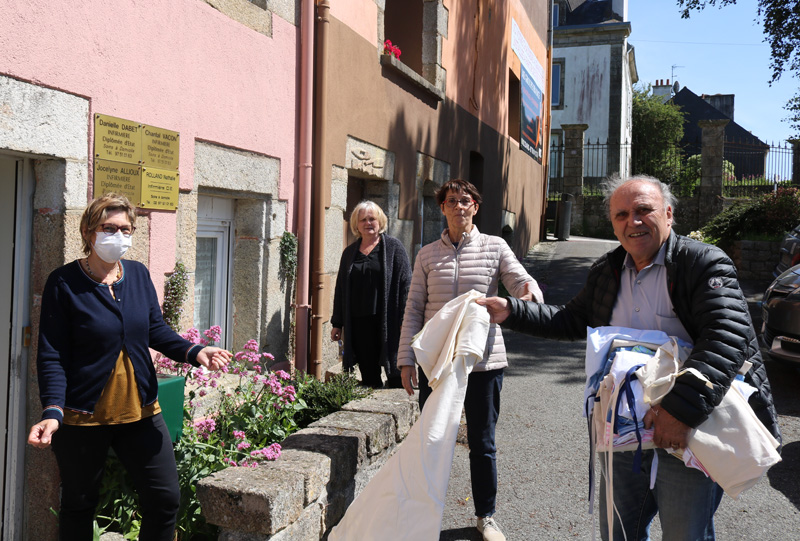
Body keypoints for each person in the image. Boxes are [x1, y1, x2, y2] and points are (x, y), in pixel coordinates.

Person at [478, 174, 781, 541]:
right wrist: (510, 310)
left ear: (668, 214)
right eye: (621, 215)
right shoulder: (607, 270)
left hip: (688, 427)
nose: (632, 223)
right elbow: (573, 319)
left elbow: (725, 338)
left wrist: (678, 413)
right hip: (623, 428)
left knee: (685, 535)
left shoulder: (702, 263)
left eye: (643, 211)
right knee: (620, 531)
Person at [27, 193, 232, 541]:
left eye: (126, 228)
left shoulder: (137, 274)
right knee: (79, 504)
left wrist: (195, 351)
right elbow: (52, 354)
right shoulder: (63, 282)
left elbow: (155, 330)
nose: (119, 235)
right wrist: (52, 410)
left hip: (140, 411)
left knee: (165, 499)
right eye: (109, 227)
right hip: (82, 417)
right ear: (90, 231)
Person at [398, 179, 543, 541]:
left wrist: (528, 291)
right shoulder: (427, 254)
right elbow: (414, 307)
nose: (459, 206)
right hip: (438, 364)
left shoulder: (495, 247)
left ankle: (486, 517)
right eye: (451, 201)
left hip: (484, 362)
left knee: (483, 443)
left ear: (475, 207)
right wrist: (405, 359)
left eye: (466, 201)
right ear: (442, 208)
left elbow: (518, 279)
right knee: (431, 442)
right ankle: (422, 514)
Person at [331, 201, 411, 388]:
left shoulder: (394, 248)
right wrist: (337, 323)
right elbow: (341, 288)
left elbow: (406, 284)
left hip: (388, 320)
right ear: (356, 225)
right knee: (369, 378)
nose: (368, 223)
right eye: (363, 220)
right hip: (359, 323)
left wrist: (405, 319)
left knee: (395, 374)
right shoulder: (349, 253)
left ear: (380, 221)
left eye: (372, 219)